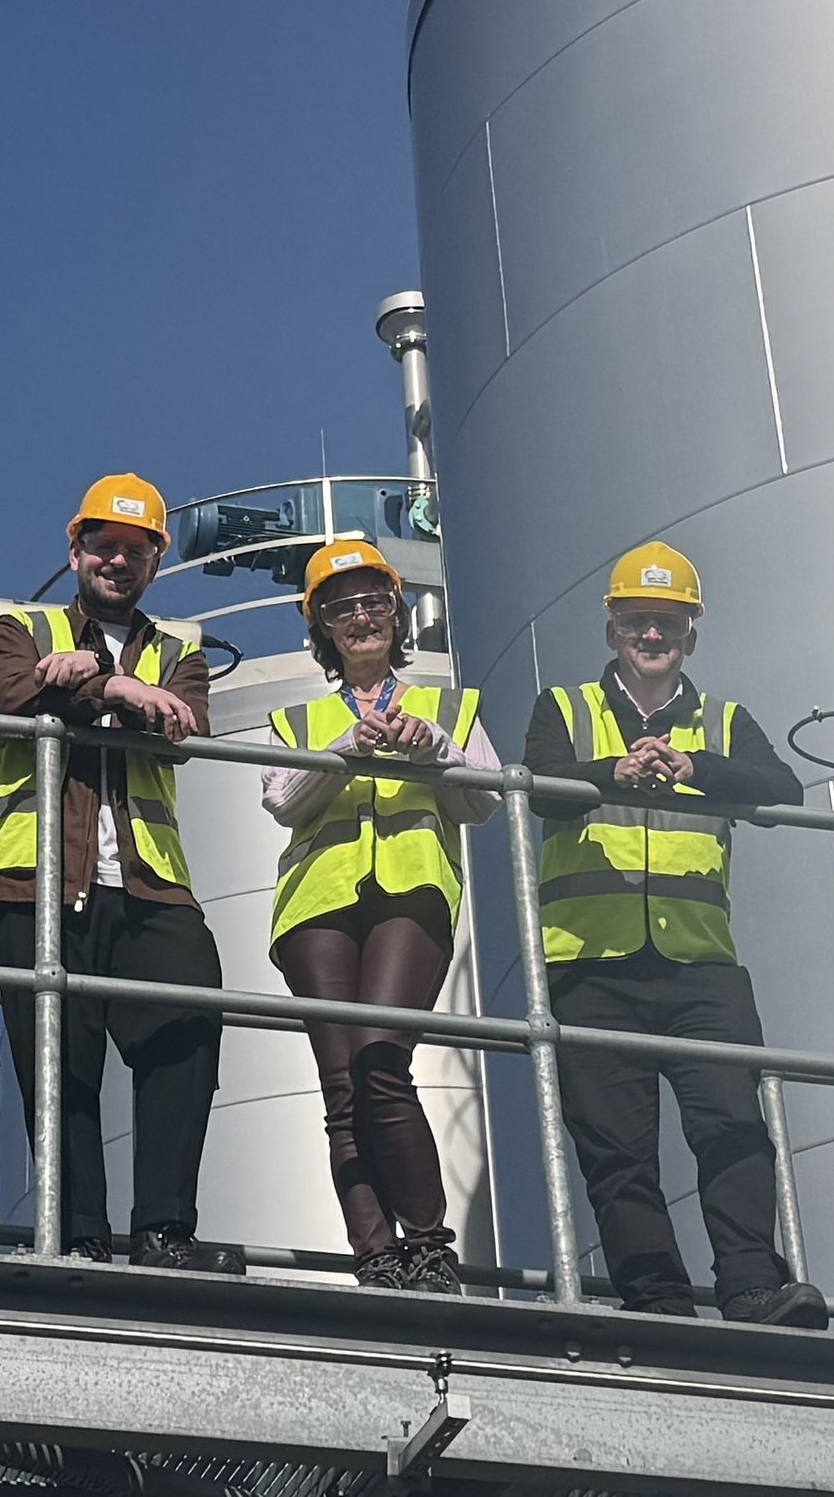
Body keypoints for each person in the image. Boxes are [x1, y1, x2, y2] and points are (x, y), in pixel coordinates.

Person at [523, 541, 828, 1326]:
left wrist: (694, 766)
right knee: (616, 1148)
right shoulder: (564, 710)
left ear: (690, 634)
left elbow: (778, 788)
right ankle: (656, 1300)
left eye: (666, 623)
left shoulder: (723, 722)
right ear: (612, 632)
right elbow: (538, 792)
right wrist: (610, 773)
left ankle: (753, 1288)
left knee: (731, 1126)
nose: (651, 636)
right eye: (636, 623)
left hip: (700, 966)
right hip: (591, 964)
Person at [0, 472, 235, 1270]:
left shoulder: (181, 648)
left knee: (186, 1027)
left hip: (152, 883)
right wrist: (120, 688)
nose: (116, 561)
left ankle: (163, 1231)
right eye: (103, 545)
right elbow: (13, 695)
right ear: (76, 548)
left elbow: (183, 724)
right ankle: (78, 1236)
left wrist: (87, 681)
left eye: (134, 549)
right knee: (60, 1059)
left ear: (156, 560)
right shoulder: (22, 624)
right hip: (36, 879)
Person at [261, 539, 500, 1291]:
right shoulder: (295, 719)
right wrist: (343, 749)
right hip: (316, 909)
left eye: (373, 602)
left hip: (411, 896)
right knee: (342, 1088)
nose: (361, 617)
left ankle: (428, 1246)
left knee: (380, 1062)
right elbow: (278, 799)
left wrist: (432, 750)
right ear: (321, 627)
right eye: (341, 607)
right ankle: (376, 1257)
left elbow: (486, 797)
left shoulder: (448, 707)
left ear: (398, 614)